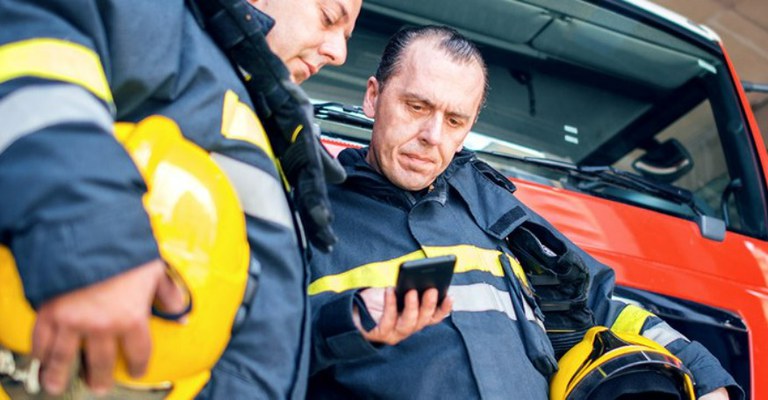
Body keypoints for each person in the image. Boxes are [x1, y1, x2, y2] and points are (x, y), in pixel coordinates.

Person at [307, 25, 741, 399]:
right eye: (416, 107)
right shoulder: (307, 214)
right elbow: (257, 352)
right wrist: (343, 323)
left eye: (455, 120)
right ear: (373, 97)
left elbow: (599, 303)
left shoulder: (490, 204)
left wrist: (702, 374)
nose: (432, 135)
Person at [0, 0, 361, 398]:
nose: (340, 54)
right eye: (330, 18)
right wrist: (90, 233)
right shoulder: (159, 21)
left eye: (345, 37)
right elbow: (27, 40)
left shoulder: (251, 102)